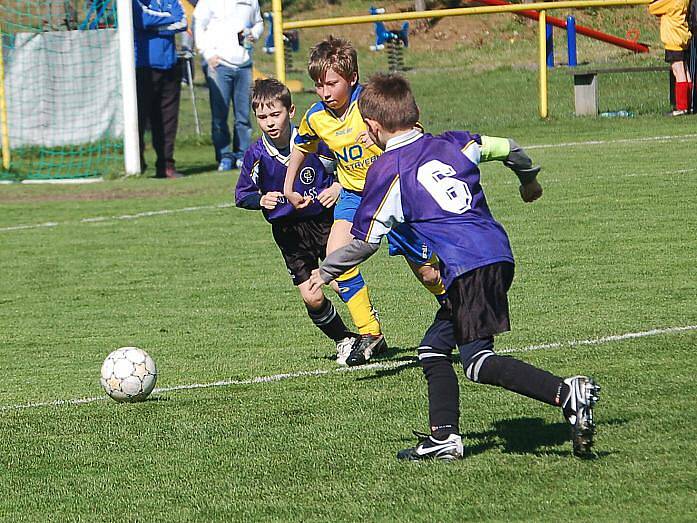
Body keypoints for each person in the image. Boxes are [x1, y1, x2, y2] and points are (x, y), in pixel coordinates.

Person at [308, 73, 601, 460]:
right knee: (433, 348)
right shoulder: (455, 142)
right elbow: (510, 147)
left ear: (373, 127)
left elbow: (364, 243)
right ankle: (443, 436)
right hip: (496, 253)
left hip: (467, 267)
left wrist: (324, 271)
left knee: (477, 362)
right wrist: (528, 182)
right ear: (415, 114)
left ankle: (568, 394)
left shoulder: (387, 170)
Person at [283, 36, 447, 367]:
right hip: (355, 196)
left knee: (428, 274)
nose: (325, 92)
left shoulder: (372, 105)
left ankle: (455, 305)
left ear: (352, 78)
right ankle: (370, 333)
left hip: (396, 194)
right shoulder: (316, 117)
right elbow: (302, 146)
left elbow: (412, 132)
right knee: (336, 256)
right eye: (318, 85)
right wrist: (289, 185)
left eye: (331, 83)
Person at [235, 79, 357, 364]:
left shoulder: (313, 143)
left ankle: (371, 334)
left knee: (342, 280)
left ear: (290, 111)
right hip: (288, 232)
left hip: (323, 221)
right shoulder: (256, 155)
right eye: (262, 117)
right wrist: (260, 199)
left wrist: (338, 186)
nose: (269, 122)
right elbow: (242, 195)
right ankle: (344, 339)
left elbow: (346, 167)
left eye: (275, 114)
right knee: (312, 297)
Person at [193, 0, 263, 171]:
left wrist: (254, 33)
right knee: (220, 115)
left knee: (243, 115)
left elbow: (259, 22)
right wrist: (208, 54)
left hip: (244, 64)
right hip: (219, 65)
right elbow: (198, 26)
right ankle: (224, 155)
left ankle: (242, 154)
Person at [132, 0, 188, 179]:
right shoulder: (134, 2)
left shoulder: (170, 1)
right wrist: (168, 22)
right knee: (139, 119)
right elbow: (142, 20)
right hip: (143, 68)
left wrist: (157, 29)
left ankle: (166, 165)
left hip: (169, 65)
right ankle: (136, 165)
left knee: (168, 120)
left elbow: (183, 21)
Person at [649, 0, 692, 115]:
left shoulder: (670, 1)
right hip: (681, 35)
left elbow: (653, 8)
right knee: (685, 70)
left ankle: (682, 107)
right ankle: (688, 104)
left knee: (678, 71)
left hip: (673, 38)